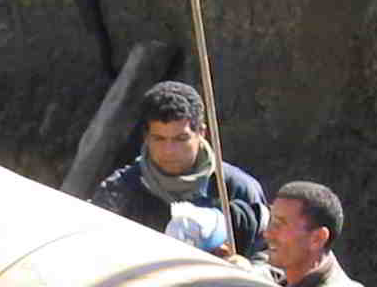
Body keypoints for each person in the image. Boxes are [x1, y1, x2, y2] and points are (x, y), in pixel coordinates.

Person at [88, 80, 269, 260]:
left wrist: (248, 269)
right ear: (145, 137)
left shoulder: (236, 188)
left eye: (181, 138)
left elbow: (273, 259)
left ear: (201, 133)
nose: (169, 151)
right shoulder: (120, 192)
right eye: (159, 139)